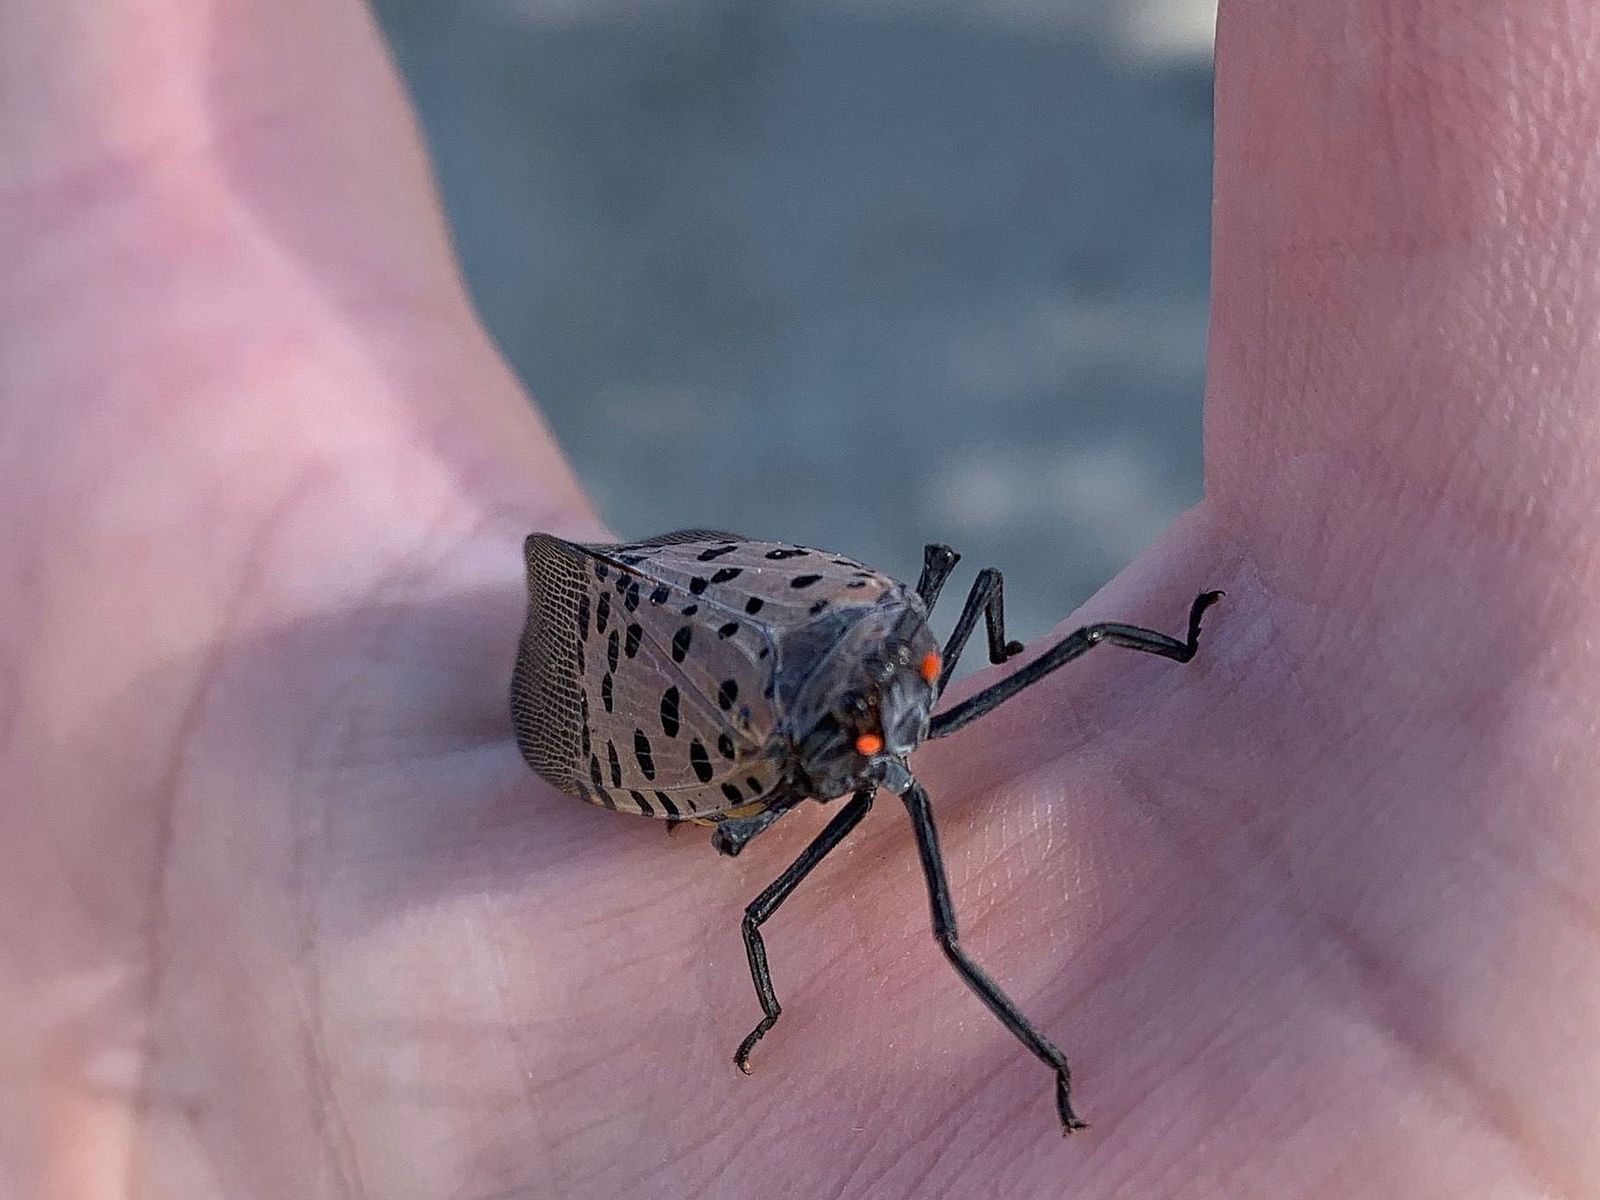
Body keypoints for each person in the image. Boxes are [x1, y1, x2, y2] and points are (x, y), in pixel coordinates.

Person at [3, 2, 1595, 1196]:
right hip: (686, 716)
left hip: (794, 628)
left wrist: (1090, 654)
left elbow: (1018, 631)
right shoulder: (840, 758)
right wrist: (826, 790)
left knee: (951, 678)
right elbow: (783, 900)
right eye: (880, 737)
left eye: (908, 708)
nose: (904, 747)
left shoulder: (907, 686)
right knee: (775, 871)